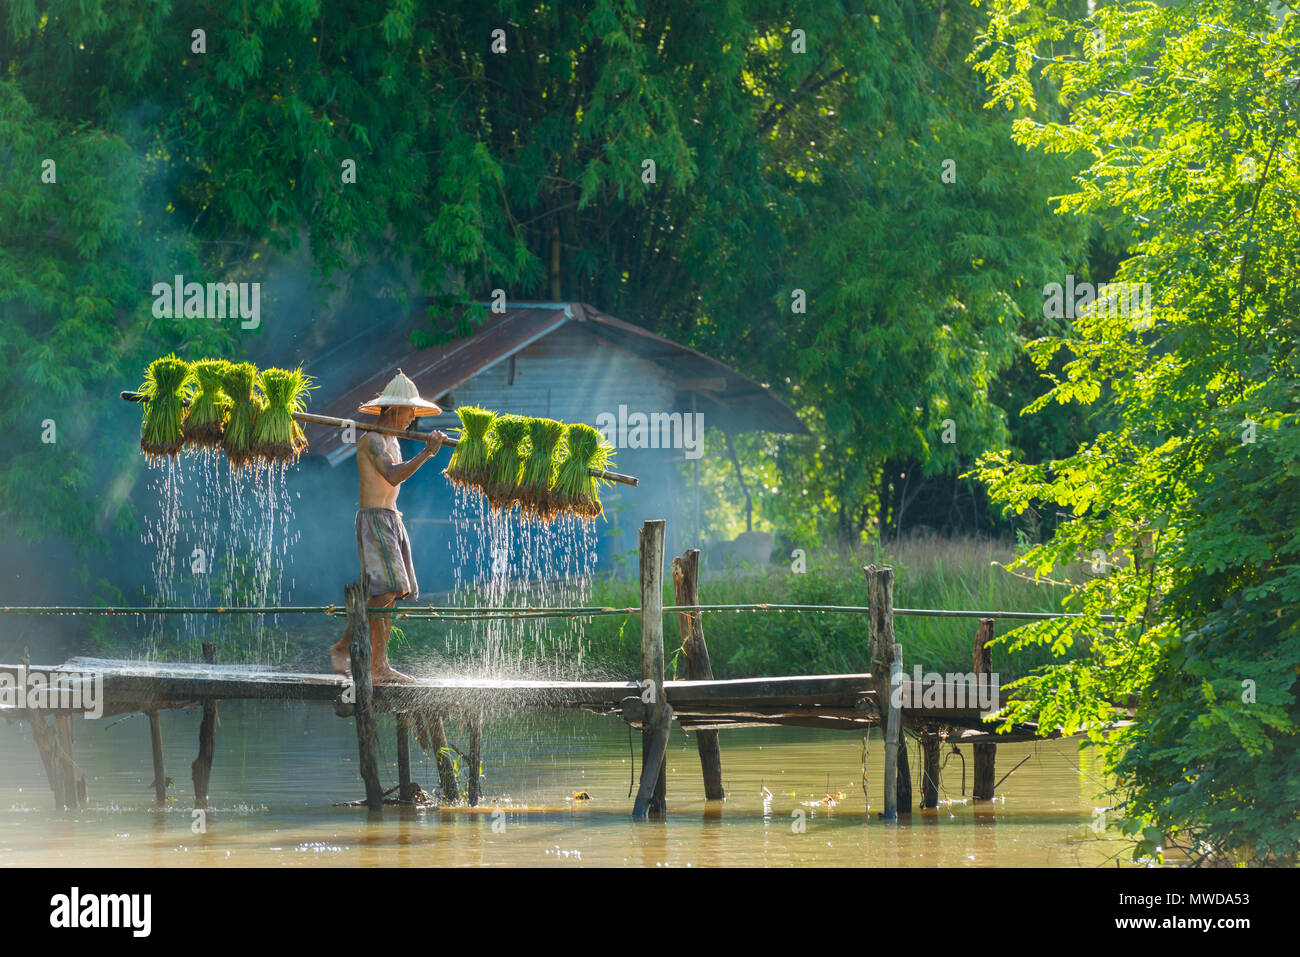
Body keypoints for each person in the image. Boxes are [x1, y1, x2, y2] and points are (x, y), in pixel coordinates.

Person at [328, 370, 448, 682]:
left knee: (391, 593)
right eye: (410, 411)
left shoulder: (392, 439)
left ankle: (353, 653)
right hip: (375, 520)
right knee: (387, 589)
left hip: (393, 519)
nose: (412, 418)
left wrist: (427, 449)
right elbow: (392, 475)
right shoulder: (372, 441)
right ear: (394, 410)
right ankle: (374, 665)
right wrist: (426, 453)